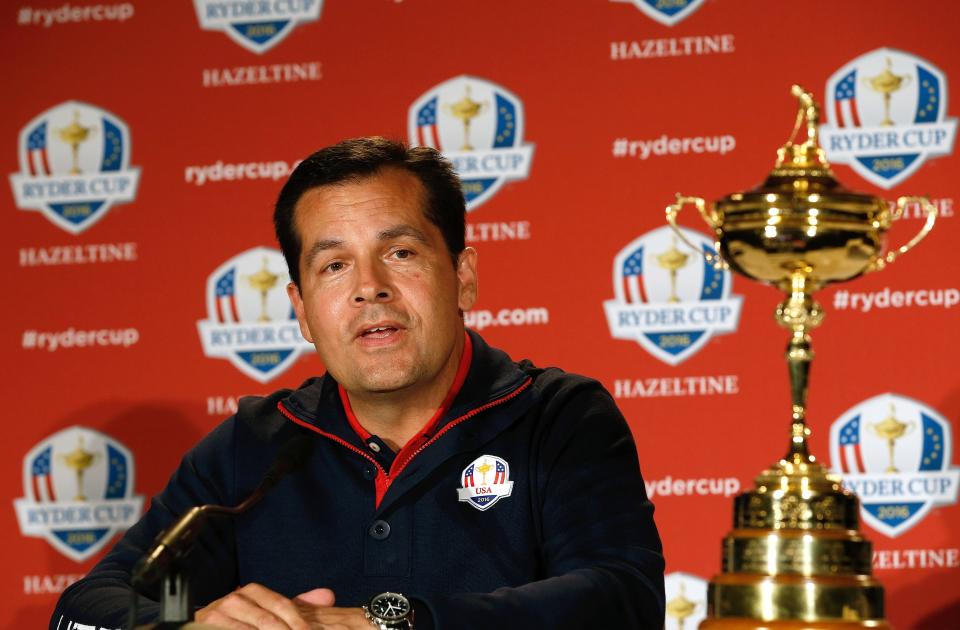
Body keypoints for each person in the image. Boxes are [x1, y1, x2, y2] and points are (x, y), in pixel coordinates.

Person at [52, 137, 665, 629]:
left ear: (463, 277)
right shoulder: (253, 448)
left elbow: (624, 600)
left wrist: (389, 622)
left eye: (399, 252)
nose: (368, 287)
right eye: (334, 265)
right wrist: (188, 626)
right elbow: (86, 610)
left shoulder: (558, 417)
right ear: (301, 308)